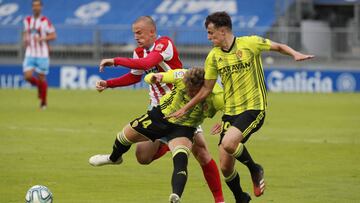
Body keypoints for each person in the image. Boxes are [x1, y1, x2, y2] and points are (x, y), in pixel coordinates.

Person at [167, 12, 315, 203]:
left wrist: (295, 53)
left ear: (223, 31)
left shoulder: (250, 43)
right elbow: (206, 90)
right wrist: (185, 108)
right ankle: (241, 197)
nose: (208, 37)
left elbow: (278, 46)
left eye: (211, 33)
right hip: (231, 113)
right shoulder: (213, 57)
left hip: (254, 108)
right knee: (226, 167)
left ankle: (255, 169)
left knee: (229, 144)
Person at [93, 16, 224, 203]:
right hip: (157, 108)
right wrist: (109, 83)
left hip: (181, 107)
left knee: (201, 152)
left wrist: (115, 60)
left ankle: (220, 200)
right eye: (134, 34)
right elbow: (134, 76)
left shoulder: (165, 44)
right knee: (142, 157)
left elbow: (147, 64)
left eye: (139, 33)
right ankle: (166, 143)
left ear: (152, 32)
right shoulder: (139, 52)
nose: (136, 37)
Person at [22, 0, 56, 109]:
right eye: (34, 6)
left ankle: (43, 103)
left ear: (41, 7)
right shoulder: (27, 20)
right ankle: (40, 88)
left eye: (37, 6)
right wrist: (25, 39)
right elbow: (25, 33)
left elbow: (53, 35)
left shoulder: (45, 21)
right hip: (30, 52)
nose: (35, 8)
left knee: (42, 78)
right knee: (27, 76)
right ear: (32, 7)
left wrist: (43, 38)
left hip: (42, 54)